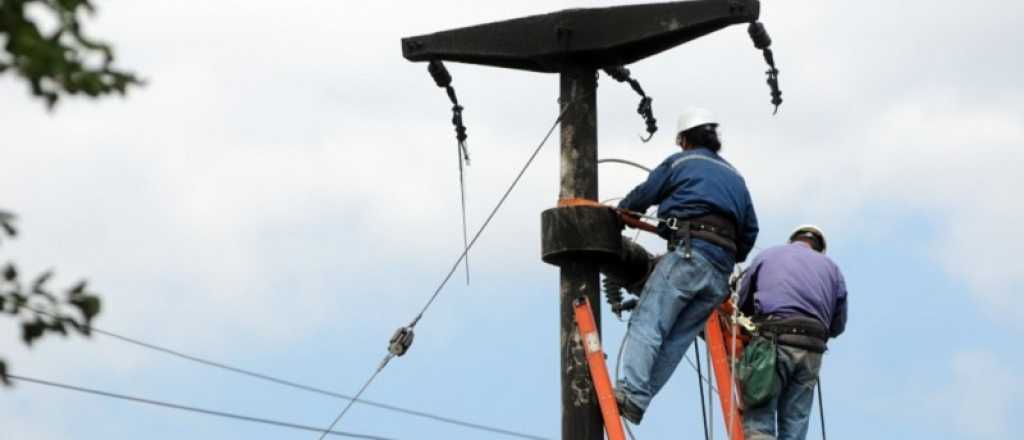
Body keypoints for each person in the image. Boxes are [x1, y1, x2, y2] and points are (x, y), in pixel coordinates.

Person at [615, 107, 759, 424]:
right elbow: (750, 231)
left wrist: (624, 210)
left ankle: (633, 394)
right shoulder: (736, 176)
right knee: (676, 340)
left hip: (690, 255)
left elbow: (646, 192)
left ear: (683, 139)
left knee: (648, 323)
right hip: (718, 273)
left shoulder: (681, 162)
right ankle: (637, 400)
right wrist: (726, 257)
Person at [737, 225, 848, 440]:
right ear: (820, 249)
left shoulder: (767, 255)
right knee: (795, 423)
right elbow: (838, 324)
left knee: (760, 416)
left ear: (791, 241)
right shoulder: (832, 268)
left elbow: (743, 302)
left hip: (773, 340)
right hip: (812, 348)